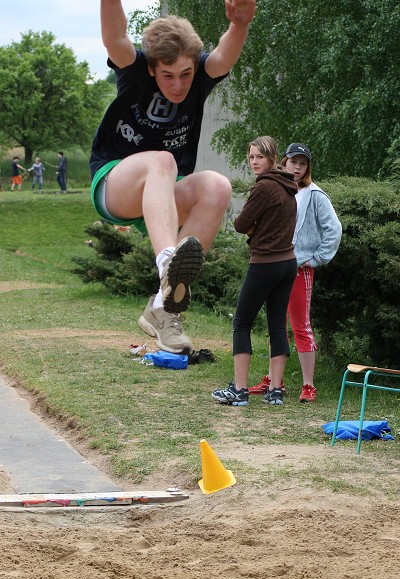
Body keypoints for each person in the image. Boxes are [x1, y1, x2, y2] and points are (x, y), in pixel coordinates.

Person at [90, 0, 256, 355]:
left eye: (185, 74)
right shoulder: (134, 69)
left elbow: (223, 57)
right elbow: (114, 37)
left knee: (217, 185)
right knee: (163, 161)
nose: (178, 85)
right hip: (115, 183)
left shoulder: (199, 77)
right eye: (168, 75)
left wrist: (240, 24)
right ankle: (169, 265)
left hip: (162, 196)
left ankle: (163, 311)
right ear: (152, 69)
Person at [248, 143, 342, 403]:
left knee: (301, 326)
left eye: (302, 163)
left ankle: (308, 385)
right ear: (284, 163)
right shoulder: (279, 187)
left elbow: (334, 229)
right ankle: (273, 380)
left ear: (307, 167)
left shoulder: (316, 195)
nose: (297, 167)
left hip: (299, 268)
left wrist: (316, 259)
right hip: (274, 264)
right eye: (293, 162)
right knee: (276, 325)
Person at [212, 136, 297, 407]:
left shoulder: (264, 188)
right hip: (288, 263)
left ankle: (239, 390)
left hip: (265, 263)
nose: (254, 162)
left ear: (272, 157)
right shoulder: (289, 186)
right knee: (276, 326)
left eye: (259, 156)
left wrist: (252, 227)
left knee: (241, 323)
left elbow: (239, 224)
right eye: (250, 157)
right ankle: (275, 391)